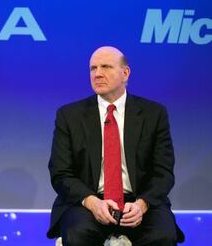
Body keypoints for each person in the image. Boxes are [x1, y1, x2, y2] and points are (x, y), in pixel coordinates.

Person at [47, 46, 184, 245]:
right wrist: (92, 202)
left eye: (106, 67)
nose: (98, 74)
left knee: (162, 236)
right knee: (78, 235)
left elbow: (163, 173)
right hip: (88, 203)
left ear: (125, 73)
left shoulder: (154, 114)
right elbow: (60, 173)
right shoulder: (69, 116)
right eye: (93, 69)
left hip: (140, 202)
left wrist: (142, 205)